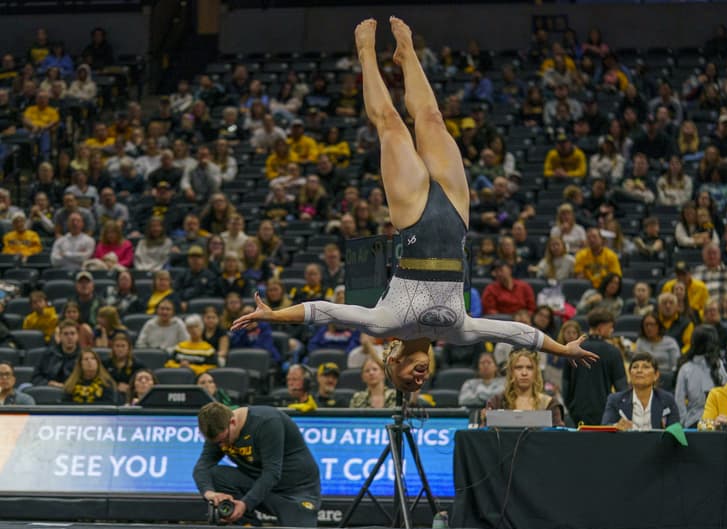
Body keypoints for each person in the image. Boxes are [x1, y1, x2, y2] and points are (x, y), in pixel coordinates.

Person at [232, 18, 597, 394]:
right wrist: (562, 349)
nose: (419, 378)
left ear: (392, 360)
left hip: (414, 217)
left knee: (391, 125)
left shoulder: (386, 323)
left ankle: (366, 55)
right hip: (456, 216)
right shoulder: (458, 330)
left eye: (408, 379)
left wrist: (275, 315)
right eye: (421, 382)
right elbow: (518, 333)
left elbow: (324, 310)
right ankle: (407, 55)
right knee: (433, 120)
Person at [193, 402, 321, 526]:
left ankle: (244, 511)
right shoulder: (218, 430)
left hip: (296, 491)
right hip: (260, 485)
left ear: (233, 422)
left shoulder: (267, 421)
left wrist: (245, 504)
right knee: (217, 475)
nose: (222, 445)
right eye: (217, 443)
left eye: (224, 440)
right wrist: (210, 494)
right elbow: (202, 467)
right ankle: (248, 527)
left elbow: (271, 473)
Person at [563, 308, 627, 426]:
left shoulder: (572, 350)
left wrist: (571, 409)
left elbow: (565, 386)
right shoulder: (613, 352)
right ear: (601, 327)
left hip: (576, 413)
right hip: (604, 413)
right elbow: (621, 389)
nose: (612, 330)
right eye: (610, 327)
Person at [601, 352, 680, 430]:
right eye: (635, 367)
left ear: (656, 375)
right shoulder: (615, 400)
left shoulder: (667, 400)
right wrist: (616, 426)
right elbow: (605, 427)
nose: (639, 370)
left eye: (646, 367)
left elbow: (676, 432)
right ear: (630, 374)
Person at [486, 349, 564, 425]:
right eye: (519, 367)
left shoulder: (550, 404)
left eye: (529, 368)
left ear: (536, 373)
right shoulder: (496, 402)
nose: (524, 373)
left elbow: (559, 436)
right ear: (511, 372)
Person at [674, 325, 727, 428]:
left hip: (720, 422)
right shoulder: (686, 369)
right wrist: (683, 424)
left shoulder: (720, 366)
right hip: (694, 423)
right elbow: (679, 401)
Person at [32, 320, 81, 387]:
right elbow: (36, 377)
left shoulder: (83, 356)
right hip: (49, 390)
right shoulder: (48, 354)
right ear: (60, 336)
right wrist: (49, 383)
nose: (69, 337)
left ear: (78, 336)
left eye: (72, 333)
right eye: (66, 334)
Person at [634, 313, 681, 377]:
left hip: (666, 378)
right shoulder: (640, 342)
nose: (649, 328)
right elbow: (637, 364)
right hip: (645, 378)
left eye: (652, 324)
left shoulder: (670, 342)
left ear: (658, 326)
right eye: (646, 325)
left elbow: (674, 366)